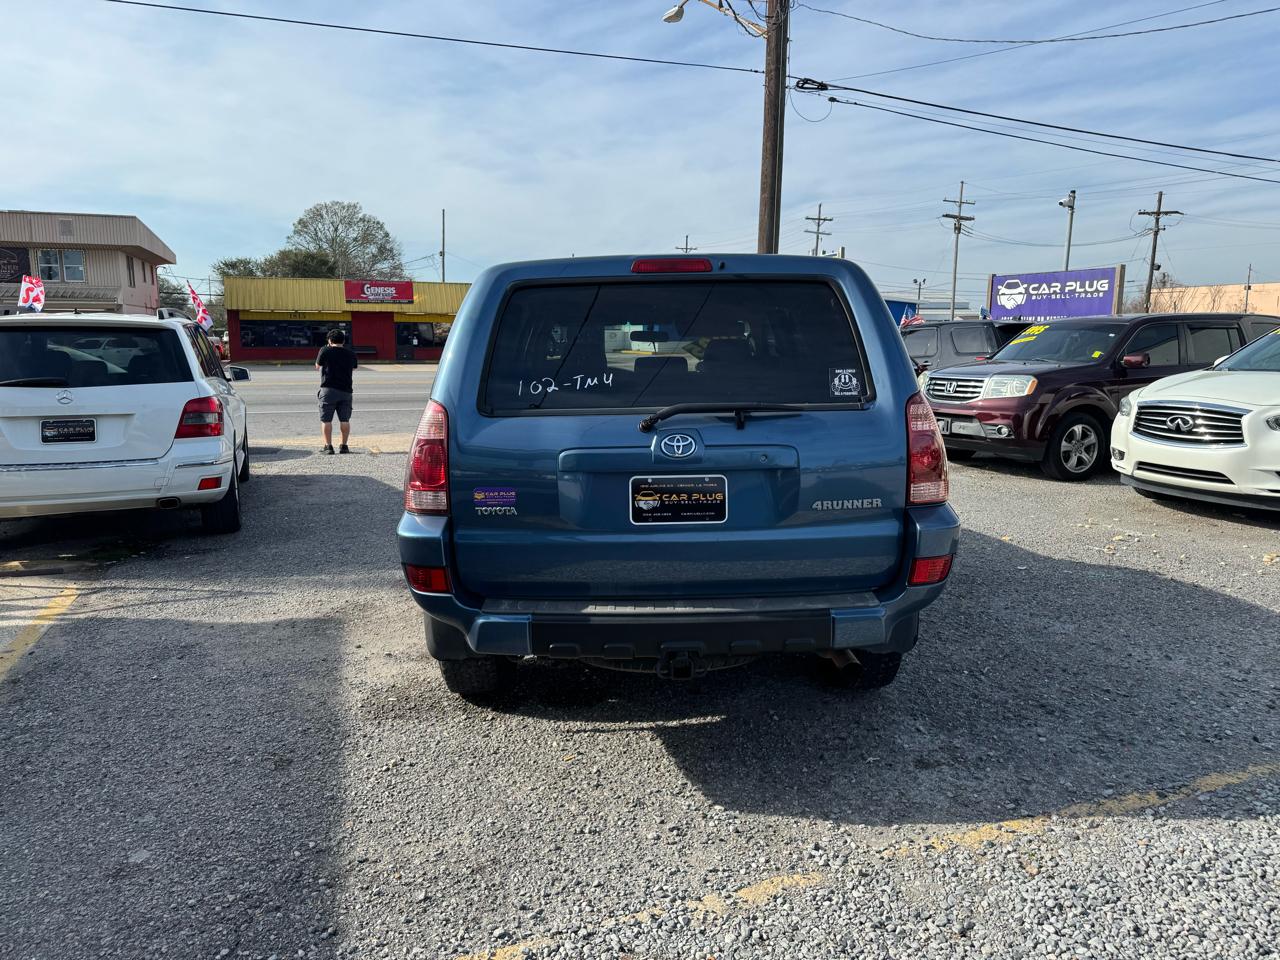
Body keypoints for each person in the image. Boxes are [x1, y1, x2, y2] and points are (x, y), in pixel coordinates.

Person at [315, 329, 357, 454]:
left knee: (326, 420)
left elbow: (317, 366)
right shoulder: (350, 353)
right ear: (343, 341)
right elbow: (354, 368)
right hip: (346, 390)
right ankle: (344, 446)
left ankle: (328, 447)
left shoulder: (325, 350)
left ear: (329, 340)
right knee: (344, 420)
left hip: (328, 389)